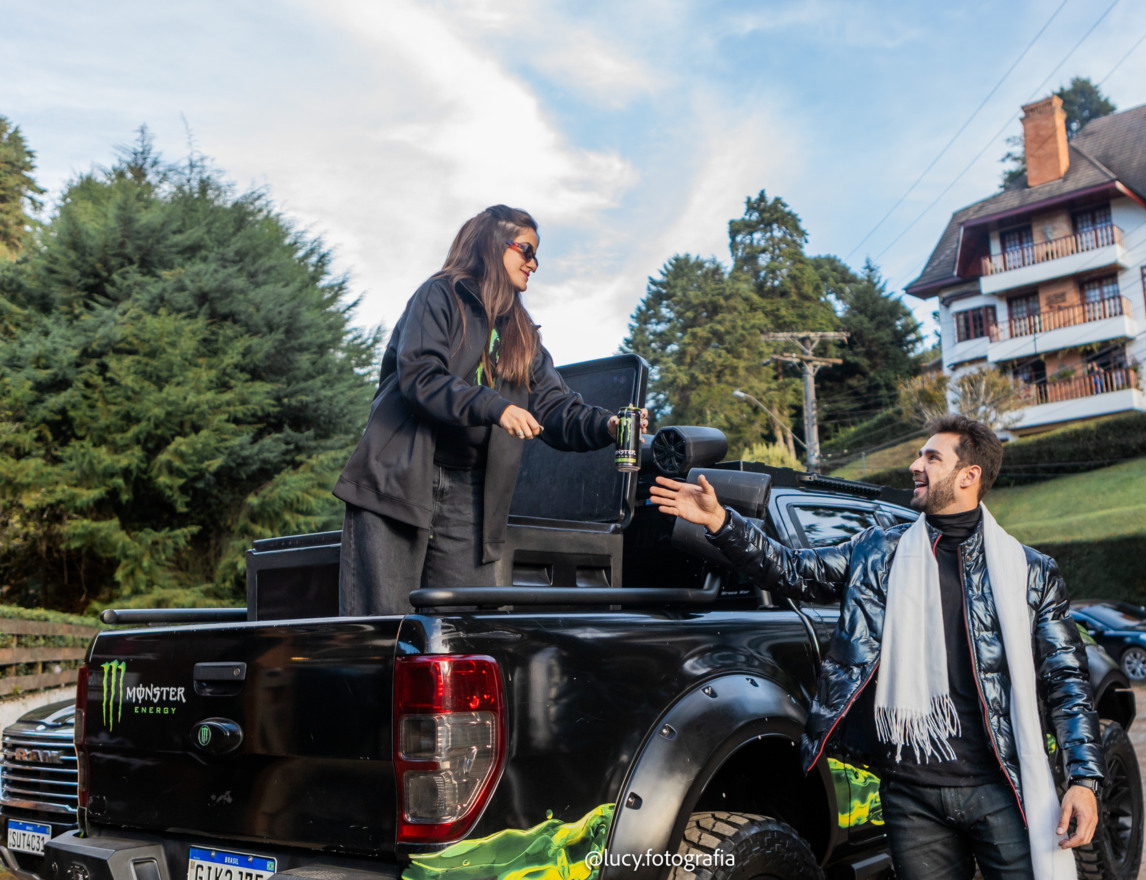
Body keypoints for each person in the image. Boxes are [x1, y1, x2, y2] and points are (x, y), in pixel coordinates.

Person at [650, 415, 1103, 880]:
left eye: (931, 457)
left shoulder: (1031, 571)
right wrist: (722, 521)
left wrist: (1084, 780)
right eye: (918, 454)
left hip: (1003, 787)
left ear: (970, 476)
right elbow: (793, 570)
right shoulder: (878, 549)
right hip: (911, 794)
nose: (914, 465)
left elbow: (1066, 679)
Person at [334, 205, 644, 616]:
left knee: (469, 631)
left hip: (469, 494)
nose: (534, 263)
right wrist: (495, 406)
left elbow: (554, 405)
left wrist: (605, 423)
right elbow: (421, 378)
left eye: (536, 255)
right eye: (526, 250)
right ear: (493, 245)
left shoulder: (521, 334)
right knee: (384, 630)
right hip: (398, 482)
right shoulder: (440, 295)